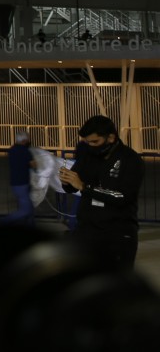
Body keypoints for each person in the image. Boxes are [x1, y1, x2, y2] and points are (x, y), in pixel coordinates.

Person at [59, 114, 143, 269]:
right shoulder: (88, 156)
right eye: (87, 142)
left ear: (110, 137)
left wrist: (85, 187)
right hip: (86, 231)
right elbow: (73, 185)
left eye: (95, 142)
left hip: (118, 234)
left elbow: (122, 196)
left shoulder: (130, 160)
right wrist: (67, 181)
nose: (90, 145)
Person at [2, 130, 35, 226]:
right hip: (23, 183)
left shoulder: (12, 150)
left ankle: (30, 224)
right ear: (24, 140)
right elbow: (34, 165)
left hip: (15, 182)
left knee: (28, 206)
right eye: (28, 139)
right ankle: (5, 221)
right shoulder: (25, 151)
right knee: (26, 209)